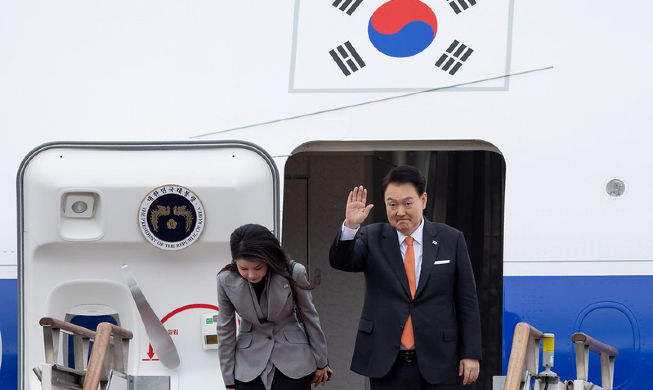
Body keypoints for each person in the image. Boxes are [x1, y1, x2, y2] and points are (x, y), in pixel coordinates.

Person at [329, 165, 482, 390]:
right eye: (392, 204)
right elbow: (342, 261)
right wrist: (351, 226)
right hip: (387, 361)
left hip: (440, 359)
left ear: (424, 200)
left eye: (408, 203)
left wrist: (471, 353)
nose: (400, 211)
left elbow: (467, 301)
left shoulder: (451, 239)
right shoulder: (373, 237)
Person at [217, 224, 333, 390]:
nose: (251, 275)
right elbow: (225, 331)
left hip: (294, 362)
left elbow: (310, 317)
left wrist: (322, 361)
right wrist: (228, 380)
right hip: (248, 366)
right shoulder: (225, 280)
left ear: (269, 258)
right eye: (243, 268)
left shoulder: (293, 272)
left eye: (258, 268)